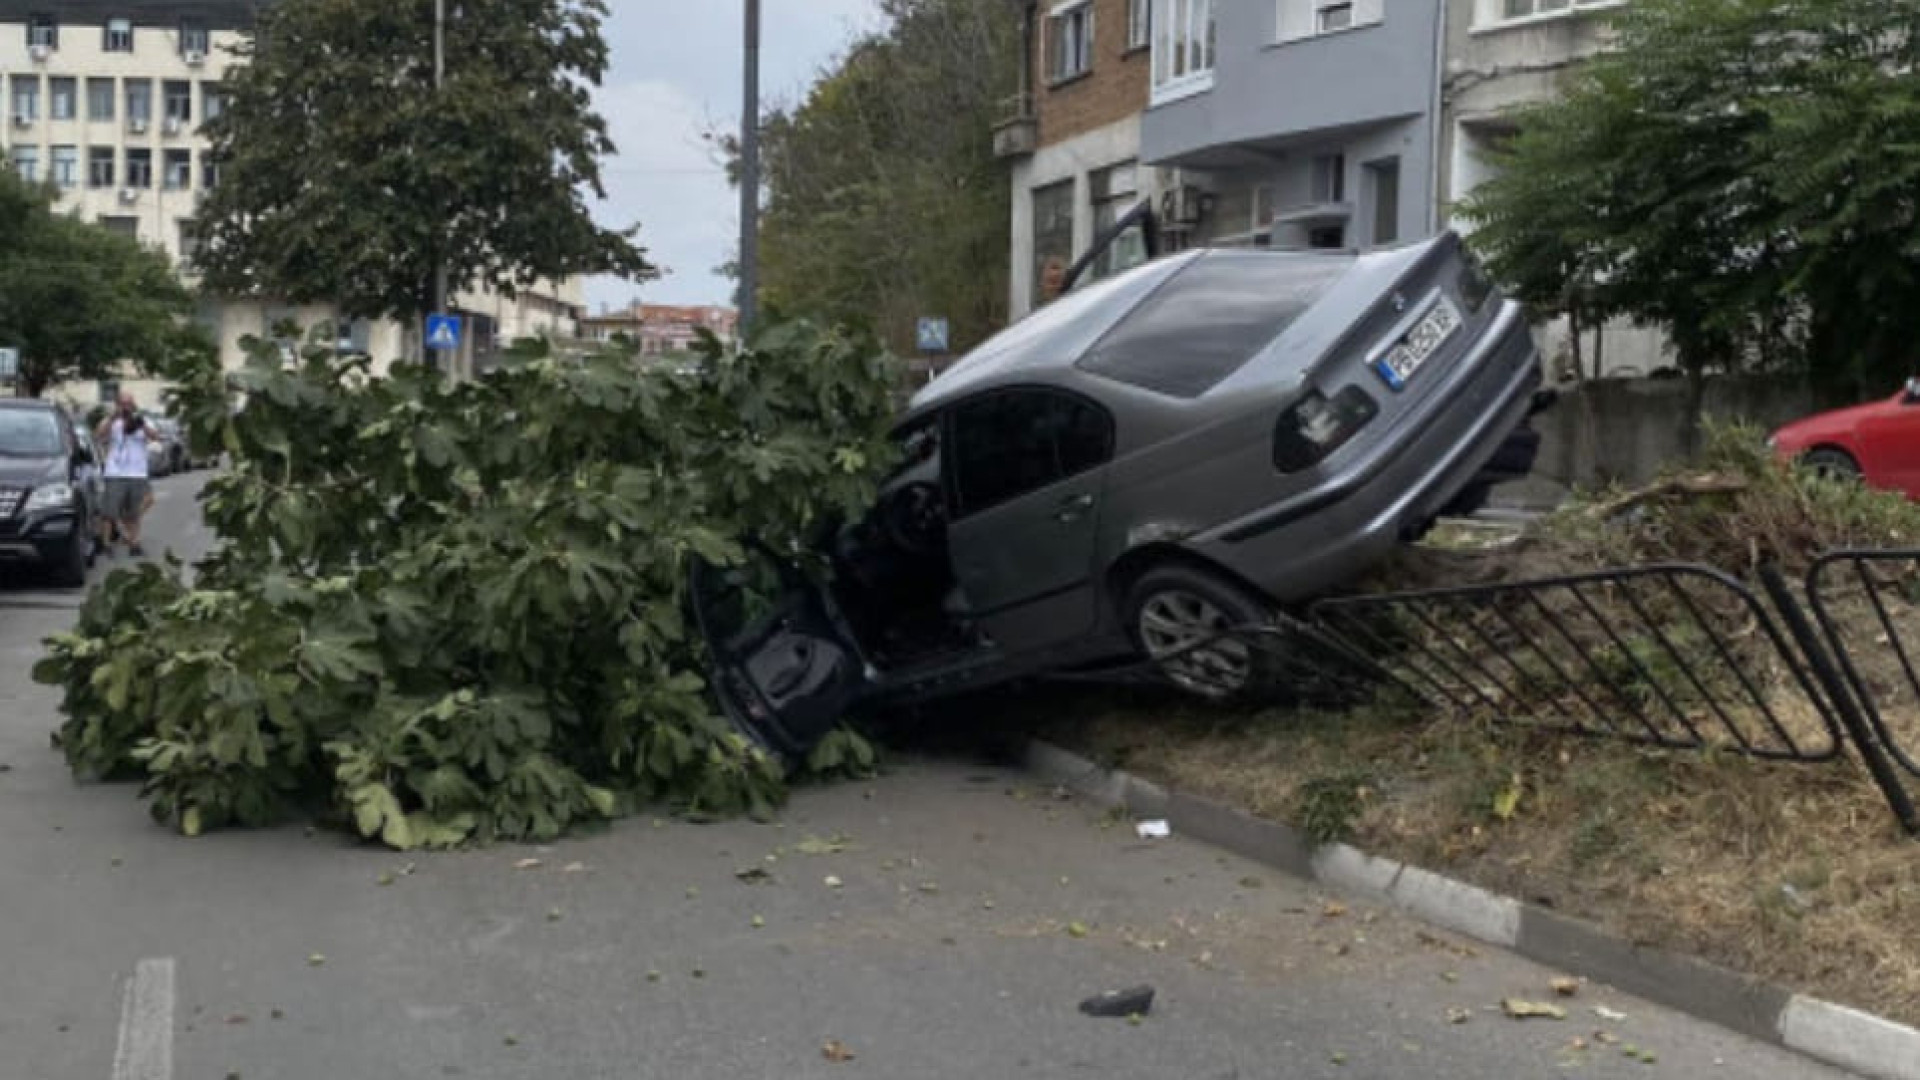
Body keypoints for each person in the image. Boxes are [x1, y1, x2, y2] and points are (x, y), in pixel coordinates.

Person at [94, 392, 152, 558]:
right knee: (109, 511)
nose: (126, 407)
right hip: (115, 472)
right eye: (123, 404)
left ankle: (134, 543)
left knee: (134, 512)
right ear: (117, 405)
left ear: (134, 405)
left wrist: (142, 426)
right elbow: (98, 435)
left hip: (137, 473)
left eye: (129, 404)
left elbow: (155, 437)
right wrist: (113, 419)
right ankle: (106, 544)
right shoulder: (112, 421)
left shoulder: (141, 420)